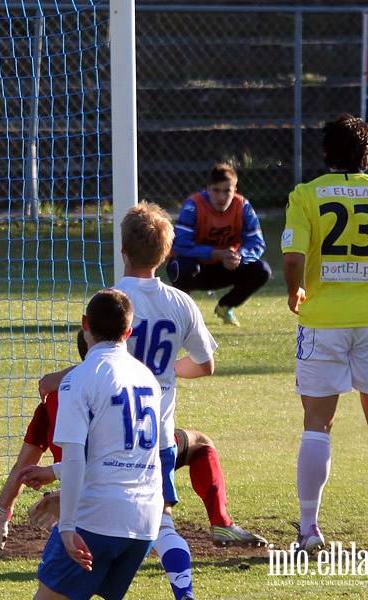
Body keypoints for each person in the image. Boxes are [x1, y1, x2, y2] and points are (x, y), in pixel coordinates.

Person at [26, 201, 227, 600]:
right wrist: (163, 374)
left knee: (138, 519)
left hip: (114, 435)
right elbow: (205, 365)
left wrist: (56, 378)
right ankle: (182, 587)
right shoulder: (181, 303)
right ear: (167, 253)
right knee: (158, 523)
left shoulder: (113, 300)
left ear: (123, 249)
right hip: (157, 432)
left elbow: (102, 366)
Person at [0, 329, 267, 552]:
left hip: (79, 468)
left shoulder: (55, 396)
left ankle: (76, 491)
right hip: (130, 466)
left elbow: (24, 465)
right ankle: (220, 523)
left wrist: (0, 516)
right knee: (200, 444)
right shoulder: (130, 378)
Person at [282, 113, 368, 554]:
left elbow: (292, 259)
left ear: (325, 152)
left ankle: (309, 531)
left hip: (322, 325)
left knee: (317, 424)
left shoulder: (306, 195)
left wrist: (295, 292)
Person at [28, 288, 165, 600]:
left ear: (84, 324)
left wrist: (67, 526)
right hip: (144, 521)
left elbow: (77, 458)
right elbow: (118, 451)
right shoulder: (147, 379)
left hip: (97, 518)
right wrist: (52, 471)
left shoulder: (78, 379)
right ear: (128, 332)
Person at [166, 163, 271, 327]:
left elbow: (257, 243)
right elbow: (180, 245)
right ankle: (182, 314)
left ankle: (225, 306)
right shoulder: (193, 205)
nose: (221, 197)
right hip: (196, 267)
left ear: (234, 191)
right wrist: (215, 253)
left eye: (227, 191)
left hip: (225, 266)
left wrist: (239, 256)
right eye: (216, 190)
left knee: (262, 270)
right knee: (183, 266)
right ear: (207, 189)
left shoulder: (242, 206)